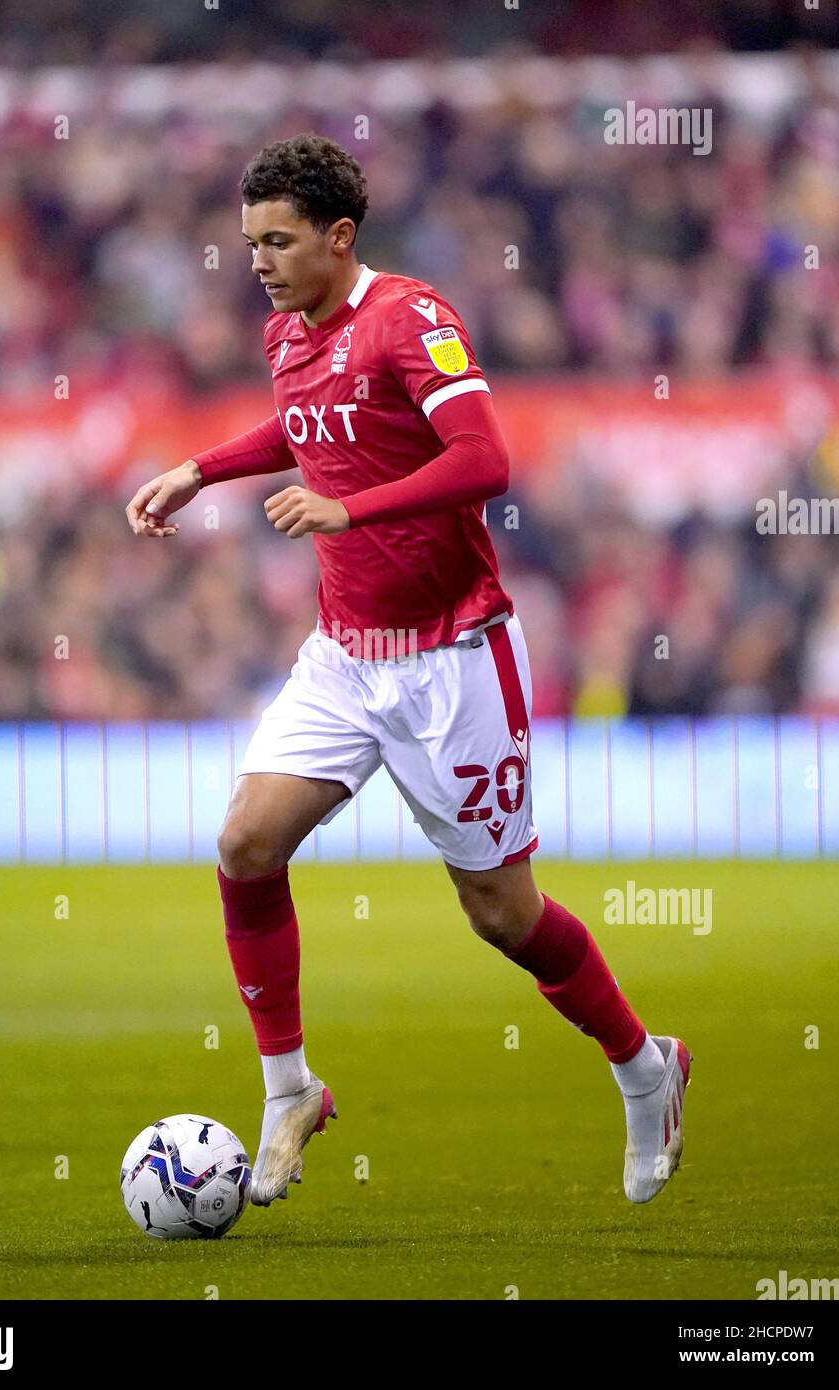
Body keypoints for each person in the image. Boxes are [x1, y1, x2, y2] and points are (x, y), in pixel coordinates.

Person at [126, 133, 692, 1208]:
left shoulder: (413, 318)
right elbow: (305, 427)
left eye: (279, 241)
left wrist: (350, 506)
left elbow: (485, 459)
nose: (259, 260)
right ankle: (289, 1087)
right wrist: (203, 467)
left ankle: (642, 1064)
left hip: (455, 659)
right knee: (247, 842)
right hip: (348, 655)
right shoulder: (287, 335)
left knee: (502, 915)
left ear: (340, 237)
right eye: (250, 242)